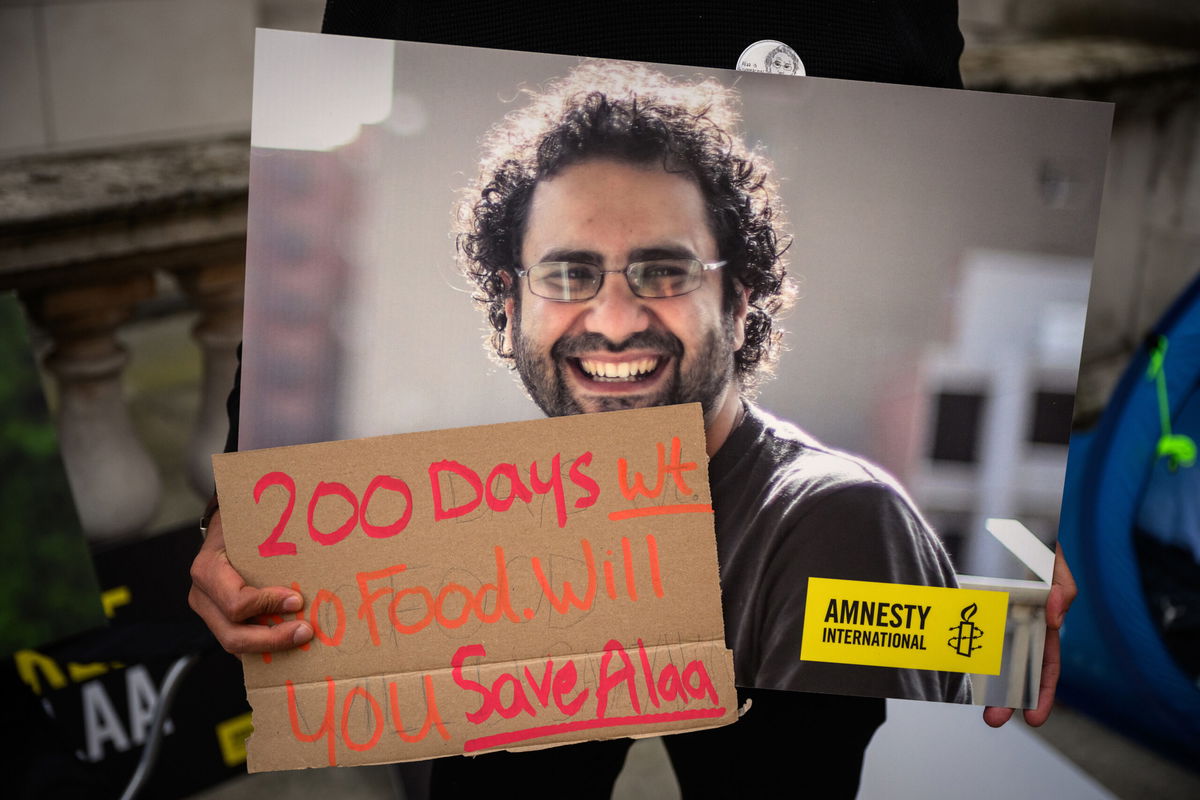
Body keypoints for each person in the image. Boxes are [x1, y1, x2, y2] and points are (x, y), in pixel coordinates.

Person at [191, 3, 1079, 796]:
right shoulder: (495, 542)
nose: (613, 320)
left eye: (664, 269)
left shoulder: (835, 523)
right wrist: (250, 477)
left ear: (740, 299)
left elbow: (917, 62)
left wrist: (1013, 594)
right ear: (508, 307)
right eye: (570, 273)